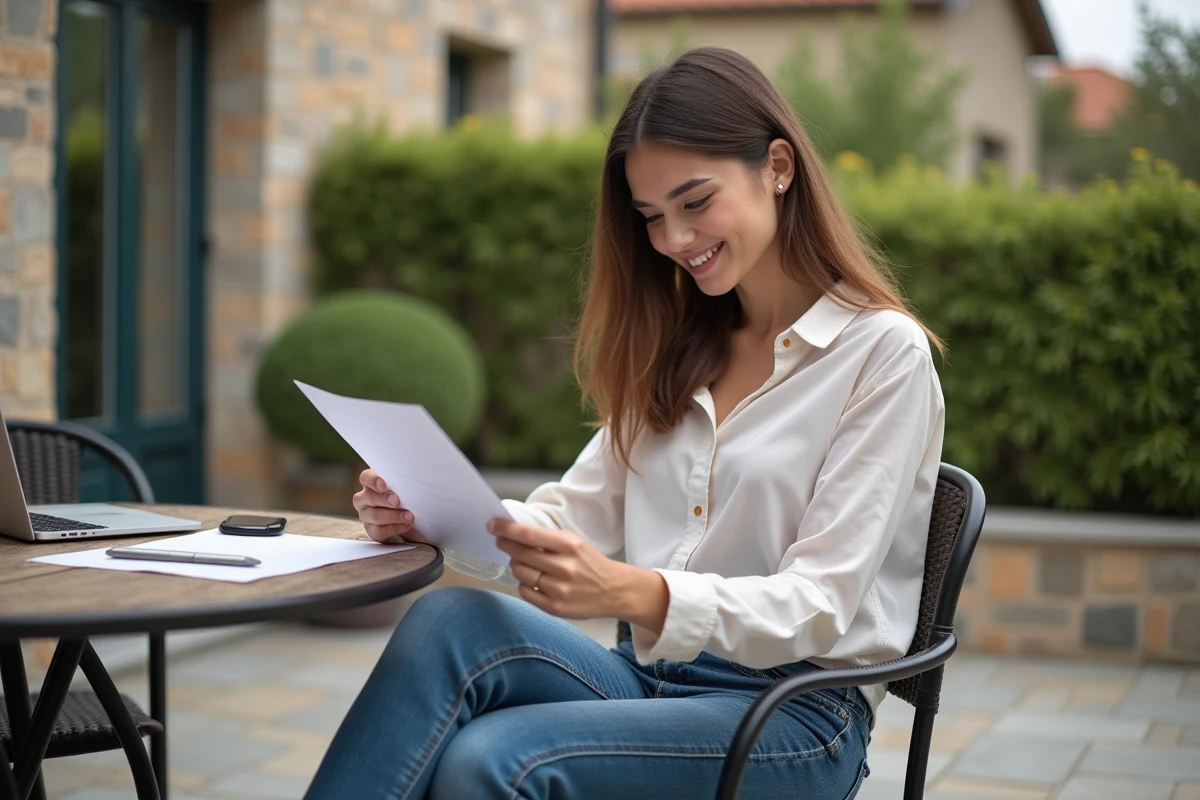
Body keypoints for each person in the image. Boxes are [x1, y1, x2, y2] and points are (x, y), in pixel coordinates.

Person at [304, 46, 945, 800]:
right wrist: (430, 516)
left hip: (792, 717)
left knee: (495, 759)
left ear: (778, 166)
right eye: (651, 217)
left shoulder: (881, 355)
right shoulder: (681, 350)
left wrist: (635, 593)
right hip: (649, 679)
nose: (674, 240)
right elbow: (567, 521)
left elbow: (822, 605)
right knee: (447, 623)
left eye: (695, 201)